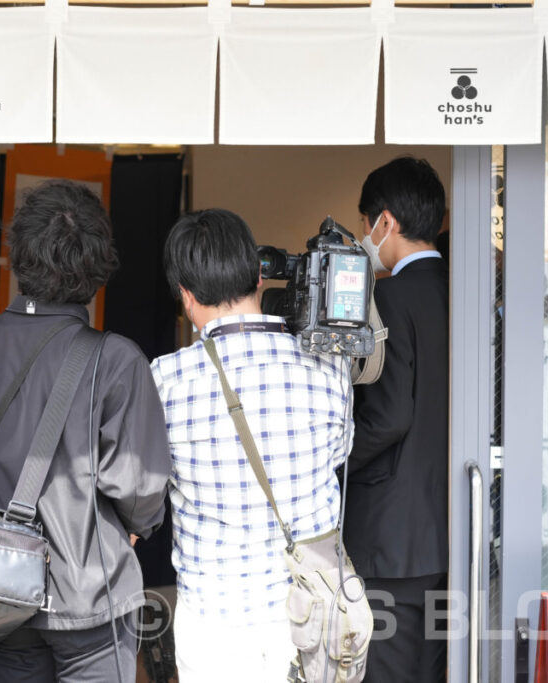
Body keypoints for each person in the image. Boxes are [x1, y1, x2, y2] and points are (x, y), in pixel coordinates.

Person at [0, 179, 172, 683]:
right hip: (93, 592)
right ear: (98, 267)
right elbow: (140, 487)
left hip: (4, 594)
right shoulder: (118, 360)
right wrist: (130, 528)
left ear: (19, 256)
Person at [150, 209, 352, 682]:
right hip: (310, 614)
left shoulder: (165, 379)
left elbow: (152, 482)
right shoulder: (329, 367)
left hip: (216, 621)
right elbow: (337, 455)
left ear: (186, 295)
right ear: (260, 275)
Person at [342, 156, 449, 682]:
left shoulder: (386, 296)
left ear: (385, 222)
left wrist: (335, 464)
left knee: (385, 668)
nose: (366, 237)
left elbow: (387, 417)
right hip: (451, 528)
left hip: (390, 532)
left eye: (365, 225)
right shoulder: (462, 292)